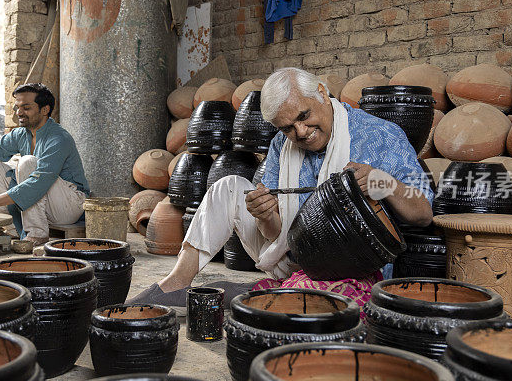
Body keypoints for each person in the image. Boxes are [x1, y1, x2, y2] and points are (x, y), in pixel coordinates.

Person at [129, 67, 433, 307]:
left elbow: (423, 213)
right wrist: (265, 215)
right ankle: (176, 283)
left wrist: (382, 182)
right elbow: (276, 234)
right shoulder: (282, 144)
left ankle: (265, 293)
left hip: (352, 266)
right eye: (287, 127)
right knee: (228, 186)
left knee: (312, 305)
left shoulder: (381, 135)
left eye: (304, 116)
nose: (301, 132)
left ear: (323, 93)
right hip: (292, 253)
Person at [0, 83, 90, 244]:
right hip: (44, 203)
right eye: (17, 107)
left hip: (70, 205)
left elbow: (39, 182)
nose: (19, 113)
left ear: (45, 110)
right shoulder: (20, 134)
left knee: (28, 163)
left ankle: (37, 234)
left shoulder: (58, 138)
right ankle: (11, 230)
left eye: (26, 107)